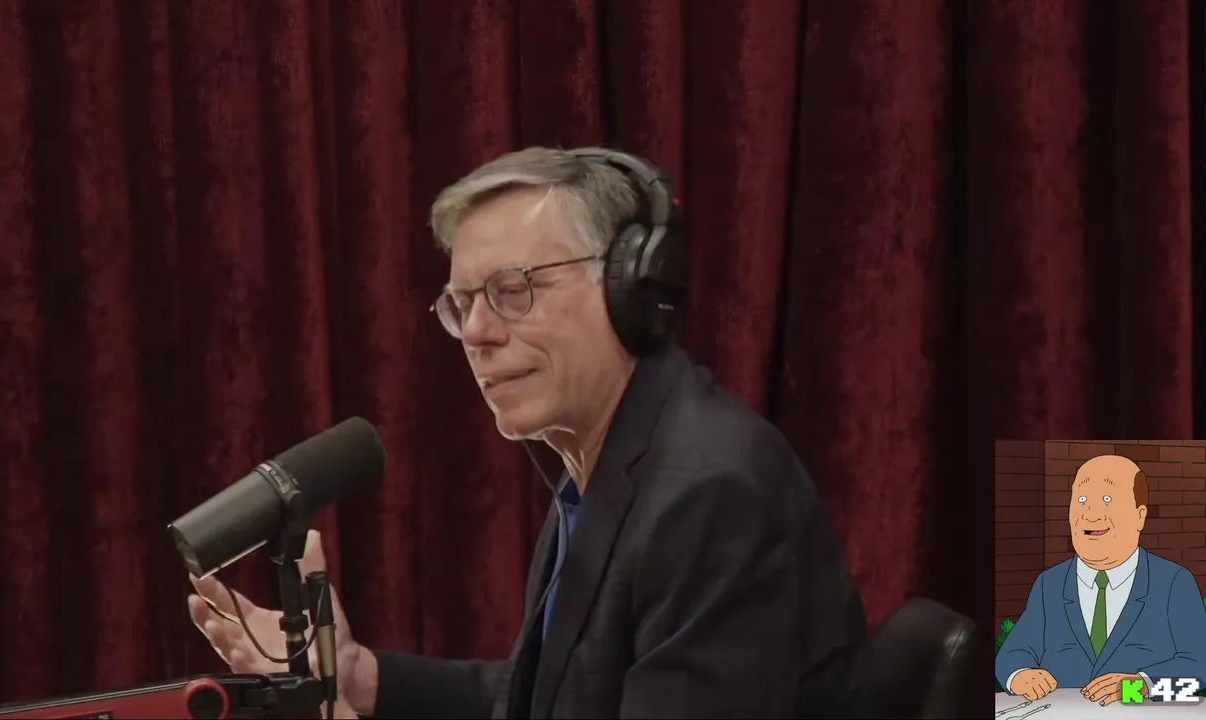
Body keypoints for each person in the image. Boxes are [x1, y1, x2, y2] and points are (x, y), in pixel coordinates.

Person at [188, 147, 869, 718]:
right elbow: (550, 699)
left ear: (629, 288)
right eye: (462, 304)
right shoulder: (602, 464)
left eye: (513, 290)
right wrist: (363, 678)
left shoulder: (709, 496)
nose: (477, 333)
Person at [995, 454, 1206, 706]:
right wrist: (1020, 675)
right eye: (1082, 499)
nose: (1091, 515)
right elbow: (1013, 653)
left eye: (1108, 499)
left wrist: (1137, 687)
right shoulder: (1049, 584)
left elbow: (1199, 672)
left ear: (1139, 516)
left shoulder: (1173, 582)